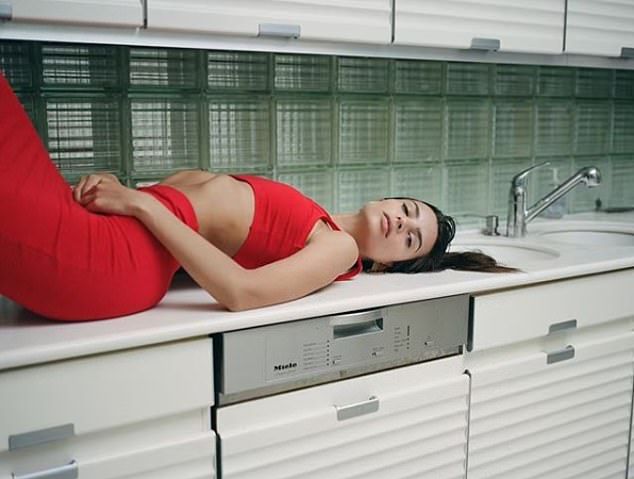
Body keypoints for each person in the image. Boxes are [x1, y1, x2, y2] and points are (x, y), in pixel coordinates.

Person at [0, 73, 512, 322]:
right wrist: (123, 192)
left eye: (409, 240)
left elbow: (240, 293)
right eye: (406, 211)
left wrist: (142, 206)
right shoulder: (314, 214)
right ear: (385, 197)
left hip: (117, 259)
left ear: (385, 268)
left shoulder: (338, 251)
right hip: (110, 236)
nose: (401, 224)